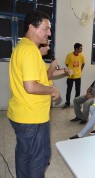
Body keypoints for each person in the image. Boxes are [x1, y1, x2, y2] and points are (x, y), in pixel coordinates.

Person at [7, 11, 60, 178]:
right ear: (32, 27)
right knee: (39, 158)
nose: (49, 33)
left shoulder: (22, 47)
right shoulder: (29, 50)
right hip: (33, 117)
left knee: (24, 154)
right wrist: (52, 90)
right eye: (46, 28)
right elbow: (30, 86)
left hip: (21, 113)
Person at [63, 43, 85, 108]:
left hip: (78, 76)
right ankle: (67, 103)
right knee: (69, 90)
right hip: (70, 76)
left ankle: (77, 104)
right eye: (80, 48)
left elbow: (83, 63)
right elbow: (66, 64)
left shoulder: (81, 56)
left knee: (78, 91)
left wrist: (80, 70)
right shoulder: (69, 55)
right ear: (76, 49)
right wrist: (71, 70)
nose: (81, 49)